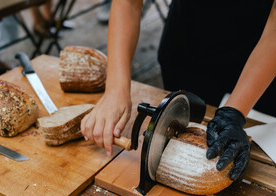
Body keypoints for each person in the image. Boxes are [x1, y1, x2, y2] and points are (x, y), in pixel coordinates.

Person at [81, 0, 276, 181]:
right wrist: (116, 89)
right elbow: (129, 3)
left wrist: (235, 111)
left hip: (264, 54)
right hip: (189, 44)